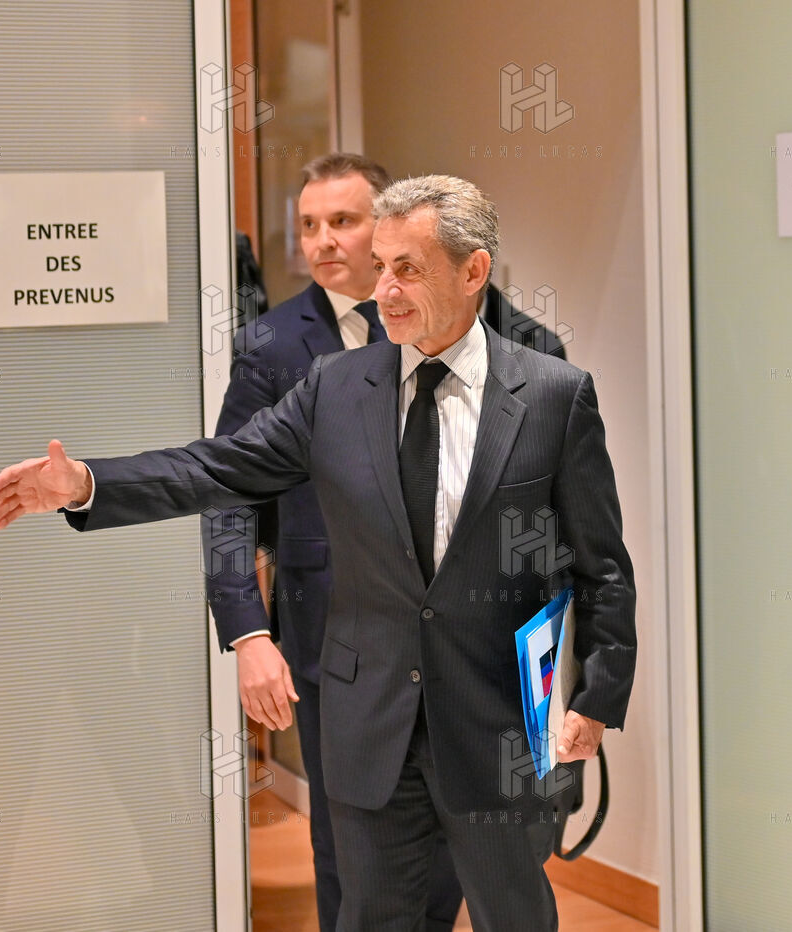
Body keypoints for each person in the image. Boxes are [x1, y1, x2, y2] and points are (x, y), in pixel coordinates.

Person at [0, 174, 635, 931]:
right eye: (380, 266)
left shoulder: (553, 393)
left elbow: (602, 566)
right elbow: (217, 467)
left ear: (473, 272)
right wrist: (88, 483)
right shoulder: (335, 387)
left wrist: (597, 698)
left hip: (501, 725)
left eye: (407, 269)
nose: (383, 290)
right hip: (371, 718)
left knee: (514, 918)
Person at [207, 152, 564, 932]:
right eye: (308, 225)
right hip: (339, 644)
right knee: (355, 860)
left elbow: (553, 514)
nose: (323, 241)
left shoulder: (519, 344)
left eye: (344, 221)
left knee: (477, 852)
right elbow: (230, 494)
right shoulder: (272, 346)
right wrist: (246, 631)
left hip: (478, 654)